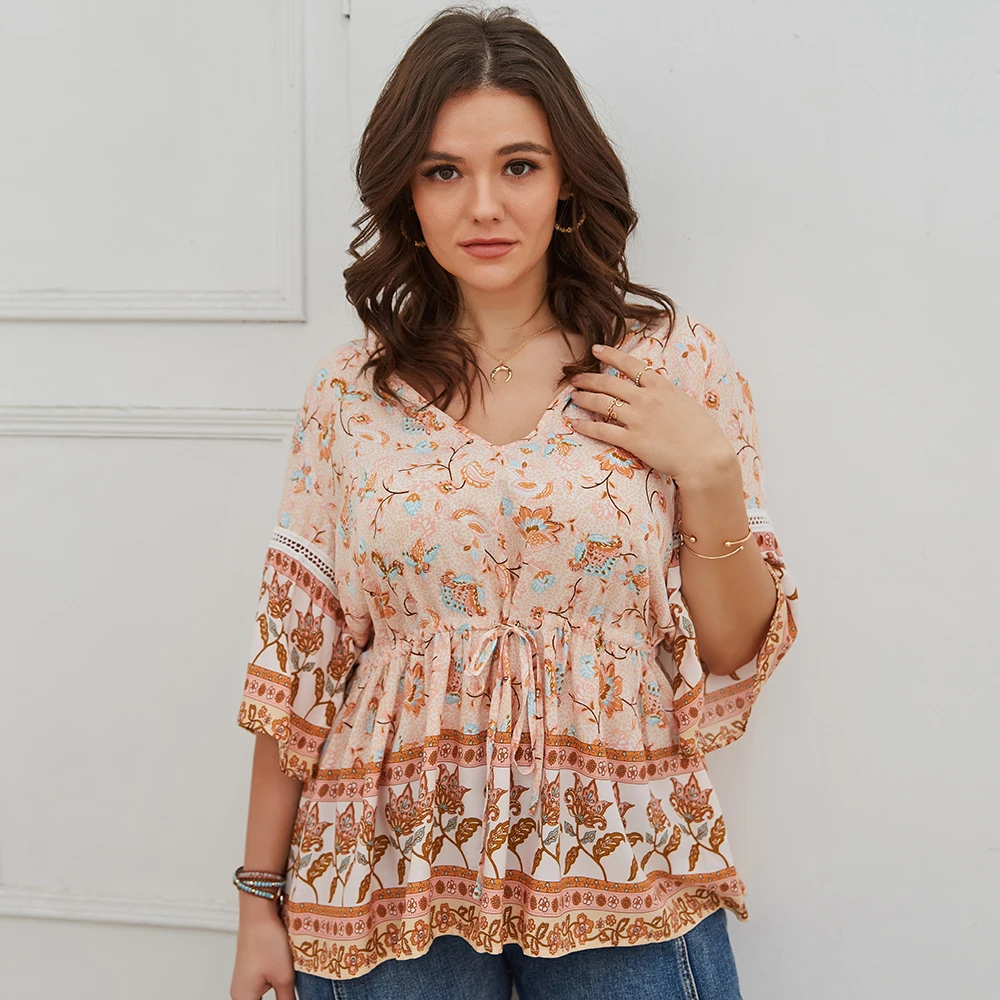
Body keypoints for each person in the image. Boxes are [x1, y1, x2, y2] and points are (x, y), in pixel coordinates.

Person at [229, 6, 799, 1000]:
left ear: (566, 180)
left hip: (622, 856)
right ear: (407, 193)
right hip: (385, 870)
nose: (483, 205)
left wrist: (709, 471)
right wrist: (256, 905)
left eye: (519, 166)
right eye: (444, 171)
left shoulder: (670, 366)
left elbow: (730, 646)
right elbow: (298, 666)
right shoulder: (349, 395)